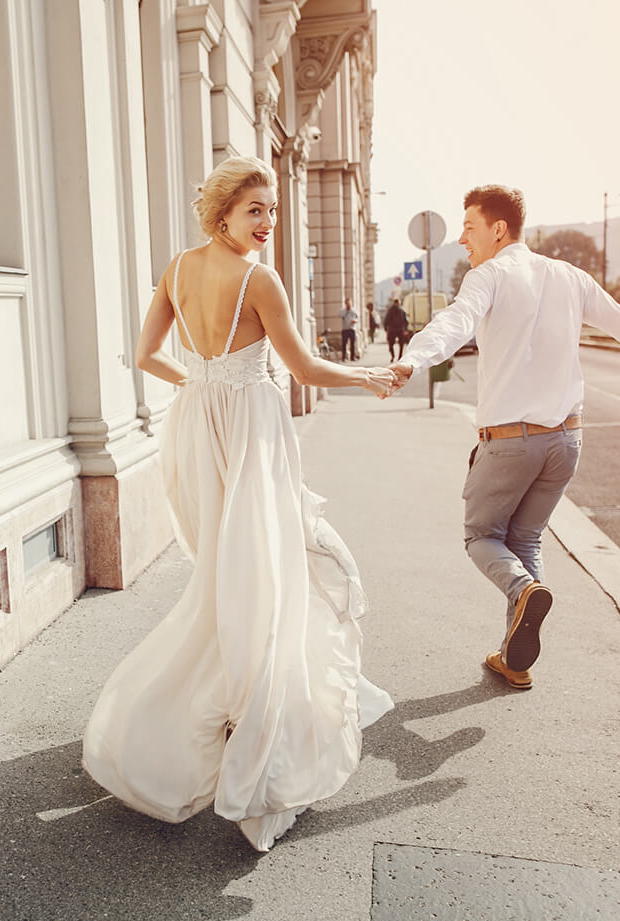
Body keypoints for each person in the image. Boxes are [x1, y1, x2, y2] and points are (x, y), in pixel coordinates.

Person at [83, 156, 396, 852]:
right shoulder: (259, 280)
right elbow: (307, 368)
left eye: (272, 211)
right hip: (250, 436)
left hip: (197, 431)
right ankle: (250, 732)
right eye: (256, 209)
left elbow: (147, 356)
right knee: (267, 575)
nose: (268, 223)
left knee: (228, 574)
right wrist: (369, 376)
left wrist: (200, 384)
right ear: (221, 212)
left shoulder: (177, 268)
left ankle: (197, 715)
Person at [386, 185, 620, 690]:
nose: (462, 238)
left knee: (482, 537)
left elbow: (454, 324)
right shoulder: (570, 277)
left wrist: (410, 360)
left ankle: (524, 591)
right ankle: (514, 659)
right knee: (524, 538)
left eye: (470, 227)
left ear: (498, 229)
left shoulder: (489, 276)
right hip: (566, 441)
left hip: (509, 442)